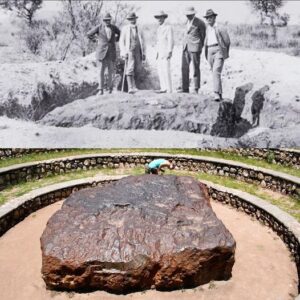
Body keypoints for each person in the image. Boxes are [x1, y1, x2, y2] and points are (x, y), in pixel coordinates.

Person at [87, 13, 120, 96]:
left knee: (111, 71)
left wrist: (115, 40)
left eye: (109, 20)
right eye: (106, 20)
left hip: (111, 52)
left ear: (110, 20)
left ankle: (110, 89)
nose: (107, 21)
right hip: (101, 52)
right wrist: (95, 40)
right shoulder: (99, 27)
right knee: (101, 71)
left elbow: (120, 33)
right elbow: (89, 34)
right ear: (103, 20)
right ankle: (100, 89)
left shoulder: (114, 27)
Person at [178, 7, 206, 94]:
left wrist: (199, 47)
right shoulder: (186, 22)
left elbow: (203, 36)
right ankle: (185, 88)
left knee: (195, 68)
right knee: (184, 68)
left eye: (190, 14)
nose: (188, 16)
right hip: (185, 47)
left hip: (195, 48)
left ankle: (196, 88)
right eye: (187, 14)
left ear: (194, 14)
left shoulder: (200, 23)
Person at [204, 9, 231, 102]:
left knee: (216, 71)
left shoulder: (220, 27)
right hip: (209, 50)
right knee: (214, 72)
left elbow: (227, 41)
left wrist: (224, 52)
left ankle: (216, 93)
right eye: (207, 18)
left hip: (218, 50)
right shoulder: (207, 28)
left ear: (214, 17)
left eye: (210, 17)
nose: (208, 19)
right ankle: (220, 94)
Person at [120, 12, 146, 94]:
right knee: (130, 67)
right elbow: (121, 41)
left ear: (136, 19)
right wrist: (124, 52)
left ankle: (135, 86)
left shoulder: (140, 28)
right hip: (130, 50)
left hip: (138, 51)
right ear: (129, 20)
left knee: (138, 68)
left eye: (133, 19)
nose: (132, 21)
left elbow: (143, 41)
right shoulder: (125, 29)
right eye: (130, 19)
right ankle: (130, 87)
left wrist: (144, 52)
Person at [154, 10, 174, 93]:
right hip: (159, 52)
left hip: (165, 52)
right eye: (158, 18)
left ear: (164, 18)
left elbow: (170, 40)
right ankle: (163, 88)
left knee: (166, 70)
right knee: (160, 70)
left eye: (161, 17)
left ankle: (169, 89)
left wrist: (169, 51)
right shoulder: (158, 28)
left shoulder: (168, 28)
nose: (159, 19)